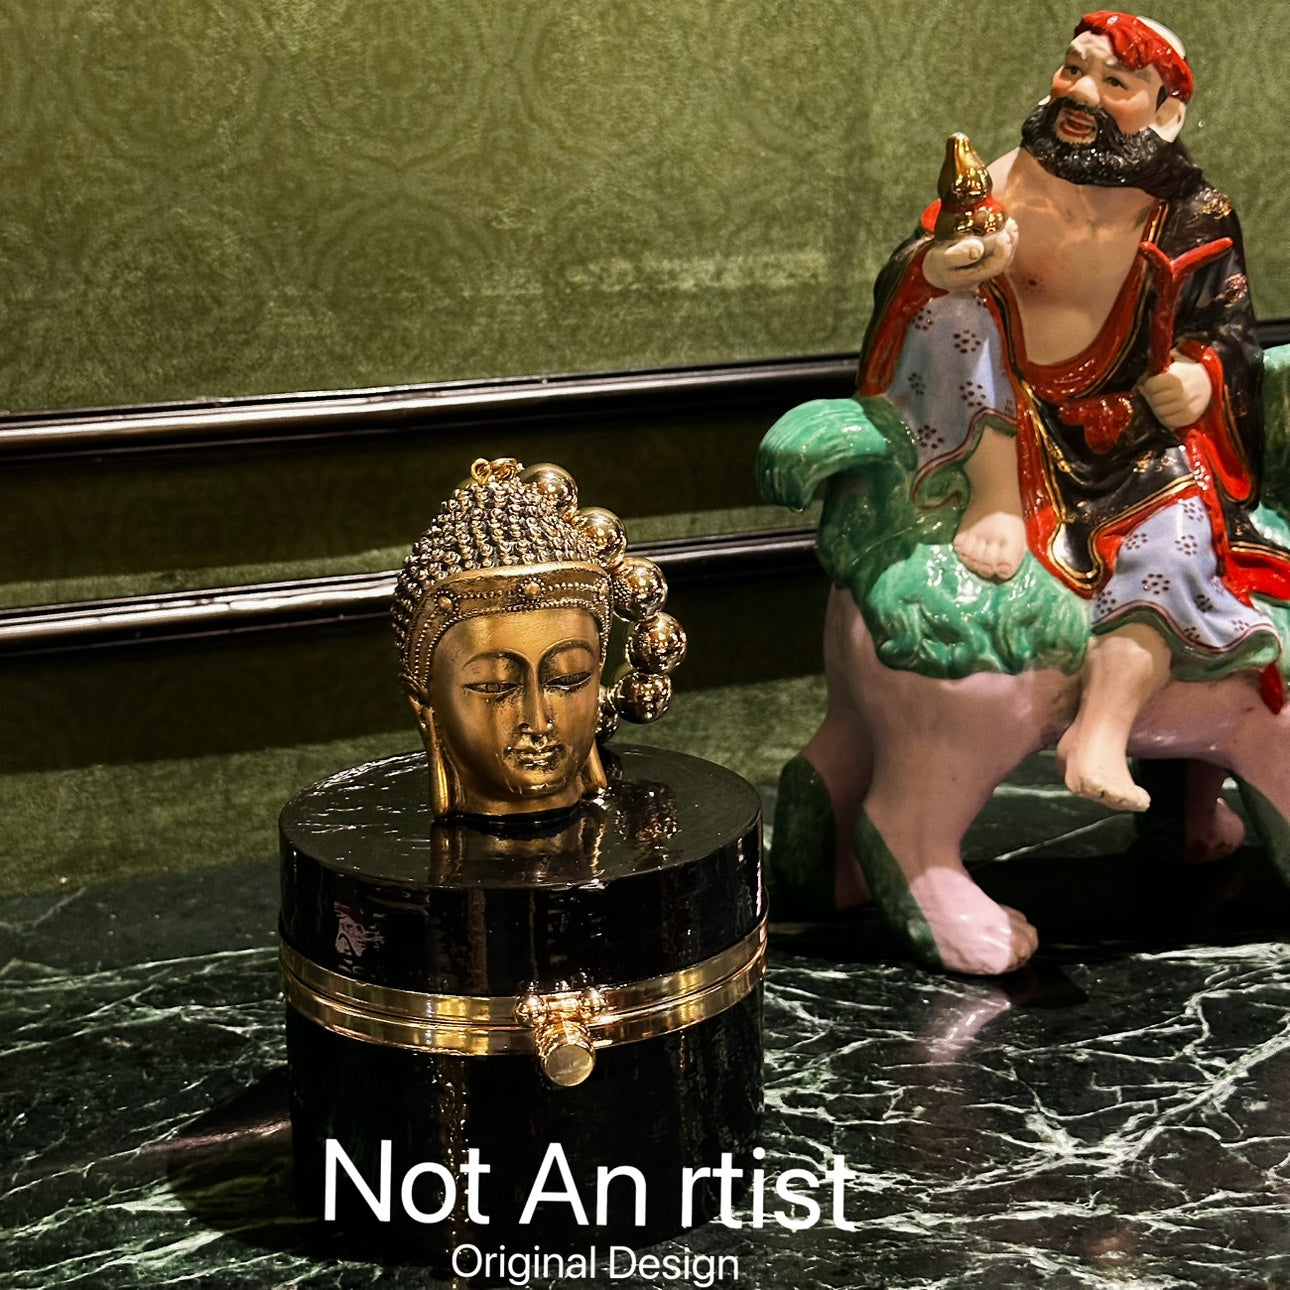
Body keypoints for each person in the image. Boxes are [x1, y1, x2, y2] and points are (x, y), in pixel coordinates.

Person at [858, 10, 1290, 812]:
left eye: (1114, 82)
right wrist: (939, 268)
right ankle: (993, 499)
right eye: (1073, 69)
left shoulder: (1194, 214)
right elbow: (907, 277)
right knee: (950, 317)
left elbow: (1227, 328)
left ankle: (1102, 728)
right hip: (1009, 420)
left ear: (1165, 113)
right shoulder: (1004, 180)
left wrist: (1199, 377)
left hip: (1129, 437)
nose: (1082, 93)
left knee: (1180, 542)